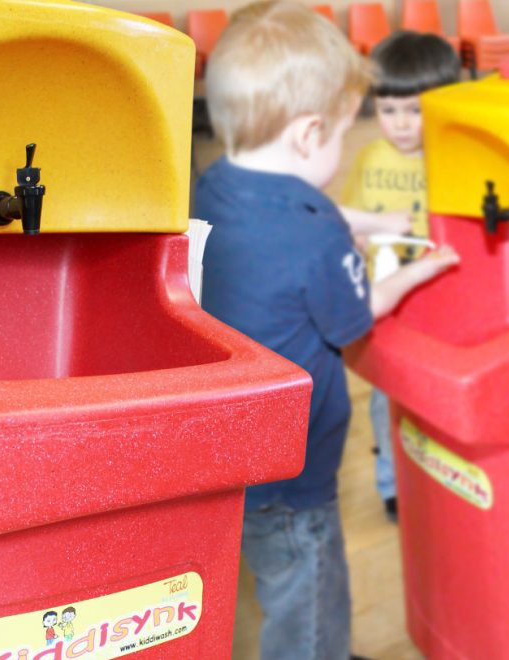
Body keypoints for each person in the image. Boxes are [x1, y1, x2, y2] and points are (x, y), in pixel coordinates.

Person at [194, 3, 459, 658]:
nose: (343, 153)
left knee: (276, 571)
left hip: (227, 452)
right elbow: (356, 316)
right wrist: (423, 271)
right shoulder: (315, 232)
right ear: (309, 135)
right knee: (308, 585)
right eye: (343, 135)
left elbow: (300, 199)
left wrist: (372, 222)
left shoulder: (214, 186)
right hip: (294, 467)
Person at [340, 31, 462, 521]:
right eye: (389, 111)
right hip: (385, 302)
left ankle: (436, 469)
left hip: (439, 302)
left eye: (415, 110)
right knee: (384, 399)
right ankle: (391, 482)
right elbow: (351, 217)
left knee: (435, 394)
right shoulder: (371, 158)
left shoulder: (453, 160)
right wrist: (359, 238)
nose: (402, 124)